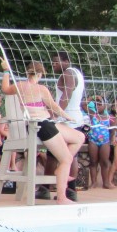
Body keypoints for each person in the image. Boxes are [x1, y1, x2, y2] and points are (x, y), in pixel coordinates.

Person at [0, 57, 85, 204]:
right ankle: (62, 196)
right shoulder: (41, 89)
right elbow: (54, 107)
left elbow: (5, 89)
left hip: (42, 124)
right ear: (39, 74)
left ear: (28, 73)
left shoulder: (19, 86)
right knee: (67, 159)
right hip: (42, 126)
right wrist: (68, 117)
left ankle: (61, 167)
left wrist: (6, 70)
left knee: (79, 137)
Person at [47, 51, 87, 198]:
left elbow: (66, 96)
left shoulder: (68, 74)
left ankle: (67, 189)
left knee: (59, 154)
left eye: (56, 62)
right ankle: (65, 189)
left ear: (66, 61)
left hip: (67, 120)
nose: (54, 64)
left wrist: (56, 115)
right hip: (73, 118)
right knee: (61, 154)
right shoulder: (76, 72)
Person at [86, 95, 114, 189]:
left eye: (99, 103)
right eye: (95, 103)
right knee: (93, 161)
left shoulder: (109, 117)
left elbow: (113, 130)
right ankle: (94, 182)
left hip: (105, 141)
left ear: (105, 105)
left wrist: (112, 140)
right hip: (93, 140)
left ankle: (106, 182)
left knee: (105, 162)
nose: (97, 105)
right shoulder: (92, 114)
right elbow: (83, 105)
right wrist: (92, 97)